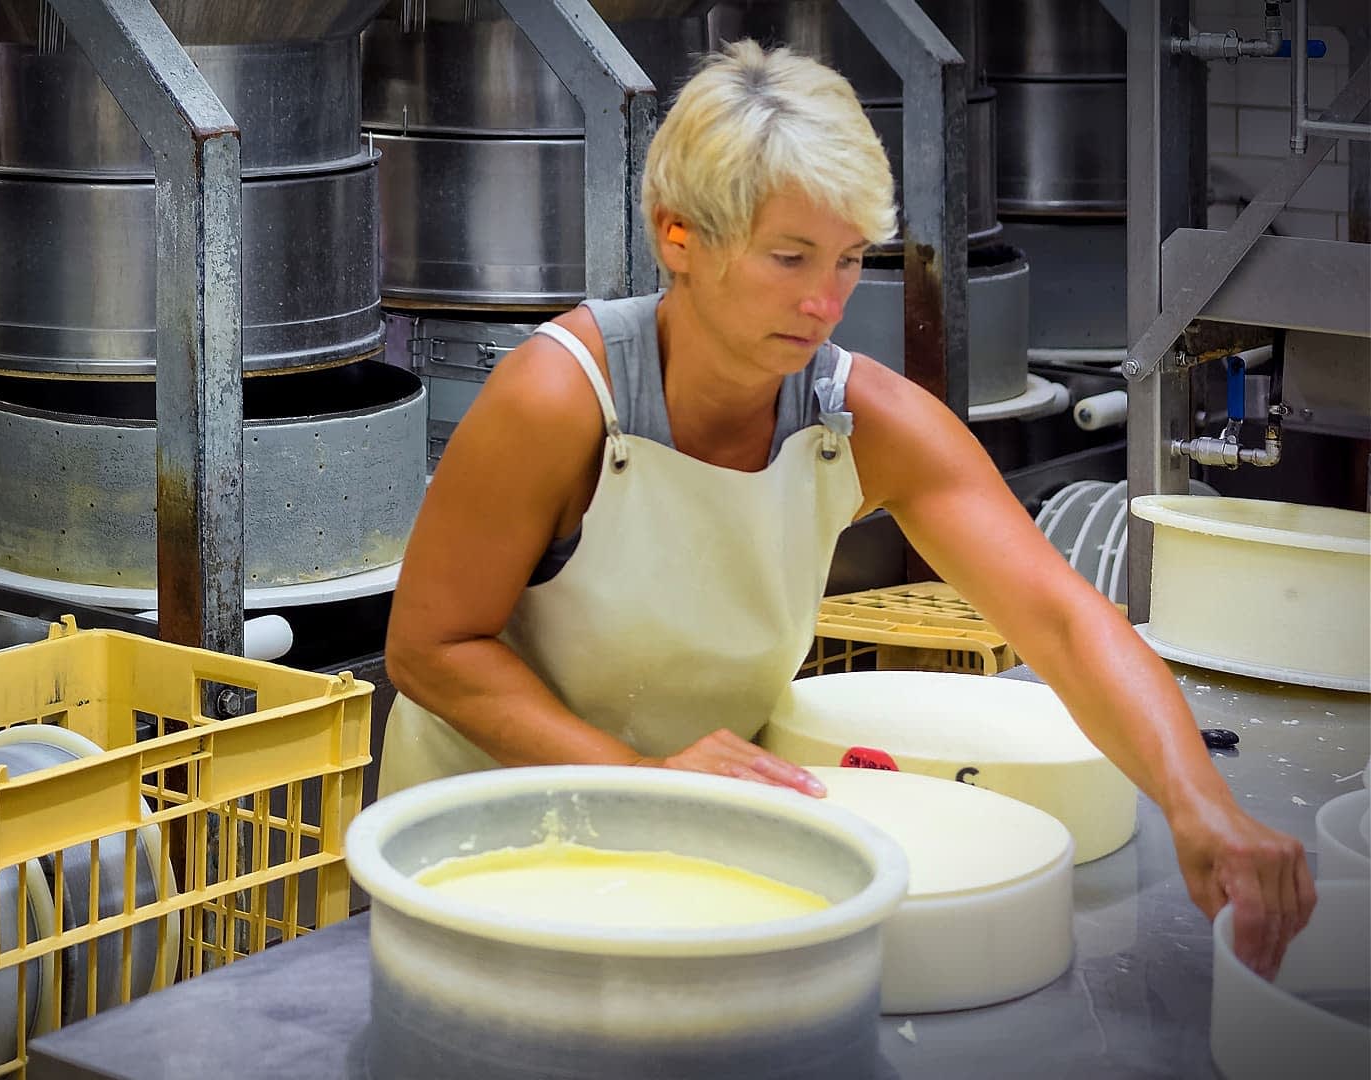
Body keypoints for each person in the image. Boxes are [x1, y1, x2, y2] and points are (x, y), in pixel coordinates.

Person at [378, 40, 1313, 977]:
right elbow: (432, 648)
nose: (827, 302)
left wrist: (1201, 806)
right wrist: (639, 784)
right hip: (482, 855)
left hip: (696, 855)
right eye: (790, 258)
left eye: (850, 259)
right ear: (679, 237)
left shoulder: (865, 420)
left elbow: (1063, 620)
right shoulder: (561, 397)